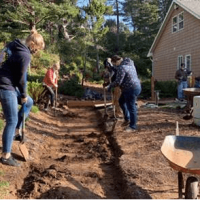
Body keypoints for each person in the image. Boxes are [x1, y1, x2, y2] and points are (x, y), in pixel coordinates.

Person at [0, 29, 45, 166]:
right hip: (6, 86)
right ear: (32, 44)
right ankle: (6, 156)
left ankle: (16, 131)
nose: (36, 51)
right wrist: (23, 95)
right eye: (36, 48)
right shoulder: (25, 55)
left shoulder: (15, 44)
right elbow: (21, 80)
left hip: (8, 82)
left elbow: (3, 56)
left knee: (30, 102)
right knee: (11, 120)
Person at [106, 55, 141, 132]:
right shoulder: (129, 64)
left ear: (117, 61)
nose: (115, 65)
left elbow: (118, 82)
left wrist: (110, 85)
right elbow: (117, 70)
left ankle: (133, 127)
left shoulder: (122, 67)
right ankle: (127, 119)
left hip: (130, 89)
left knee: (131, 107)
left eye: (114, 63)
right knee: (121, 101)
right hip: (134, 87)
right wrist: (110, 65)